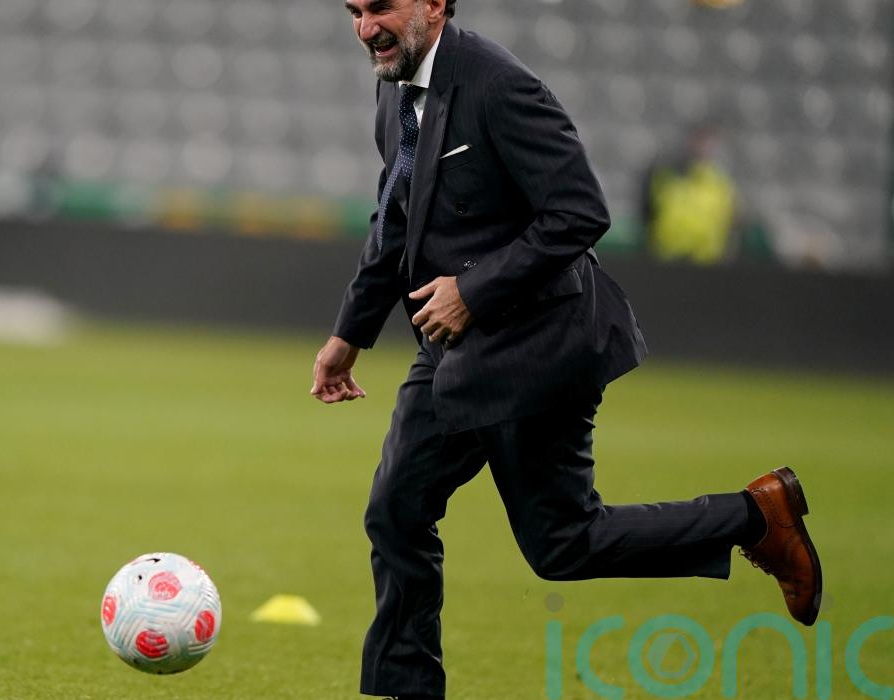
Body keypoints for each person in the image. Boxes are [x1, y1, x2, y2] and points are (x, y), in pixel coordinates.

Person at [309, 2, 823, 699]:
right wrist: (350, 332)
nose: (366, 27)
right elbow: (395, 218)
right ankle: (409, 691)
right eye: (354, 10)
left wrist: (472, 291)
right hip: (453, 349)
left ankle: (755, 516)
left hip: (539, 349)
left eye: (380, 7)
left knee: (563, 544)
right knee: (396, 511)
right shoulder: (395, 89)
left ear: (433, 4)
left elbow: (581, 210)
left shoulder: (498, 85)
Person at [640, 124, 738, 264]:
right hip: (666, 258)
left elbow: (731, 223)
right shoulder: (664, 176)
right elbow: (647, 211)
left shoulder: (721, 185)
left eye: (706, 144)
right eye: (698, 142)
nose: (701, 149)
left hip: (708, 262)